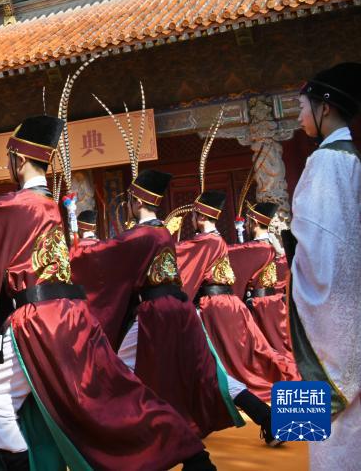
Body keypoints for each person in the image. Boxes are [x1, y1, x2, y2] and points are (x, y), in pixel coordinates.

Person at [0, 116, 213, 471]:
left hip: (37, 322)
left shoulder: (22, 205)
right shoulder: (46, 206)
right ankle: (194, 454)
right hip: (69, 315)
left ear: (18, 161)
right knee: (109, 393)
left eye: (10, 160)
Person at [71, 169, 277, 445]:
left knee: (116, 367)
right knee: (209, 369)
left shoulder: (141, 236)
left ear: (137, 202)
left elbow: (98, 257)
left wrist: (73, 235)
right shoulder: (162, 234)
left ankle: (114, 434)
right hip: (182, 309)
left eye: (131, 199)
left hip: (155, 313)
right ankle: (266, 416)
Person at [289, 61, 361, 468]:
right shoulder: (350, 158)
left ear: (325, 107)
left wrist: (294, 266)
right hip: (350, 308)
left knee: (331, 425)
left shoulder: (326, 162)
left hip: (329, 314)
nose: (299, 116)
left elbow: (321, 248)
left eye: (303, 106)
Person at [177, 191, 297, 402]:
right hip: (229, 305)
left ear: (202, 217)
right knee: (248, 354)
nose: (193, 220)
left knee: (244, 358)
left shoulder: (209, 243)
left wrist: (158, 238)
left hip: (219, 307)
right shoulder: (216, 242)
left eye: (195, 215)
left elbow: (180, 255)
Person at [245, 207, 293, 359]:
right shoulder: (272, 249)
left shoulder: (256, 248)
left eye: (247, 222)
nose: (245, 225)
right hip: (275, 302)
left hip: (260, 306)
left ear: (253, 223)